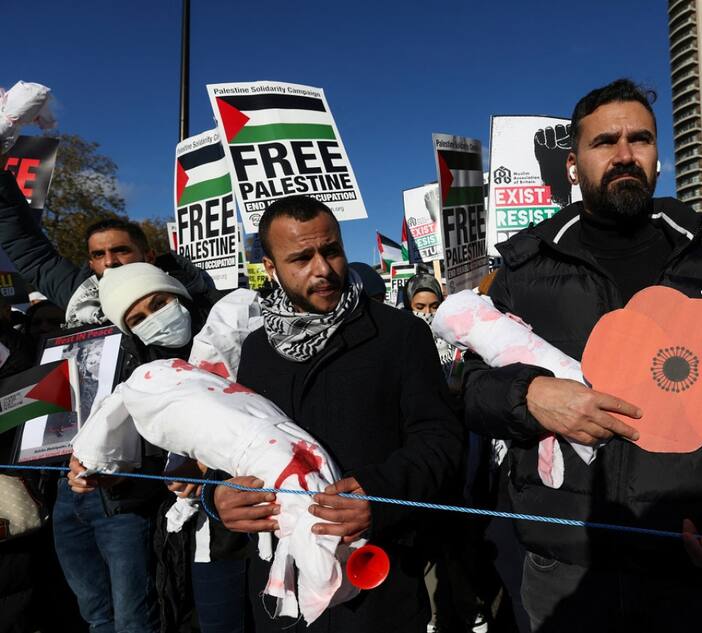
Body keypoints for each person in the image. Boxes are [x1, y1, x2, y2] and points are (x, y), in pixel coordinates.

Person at [461, 79, 702, 632]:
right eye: (604, 142)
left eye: (639, 139)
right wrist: (529, 396)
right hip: (565, 570)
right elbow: (466, 387)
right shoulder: (525, 269)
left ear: (658, 155)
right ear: (573, 165)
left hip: (695, 565)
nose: (623, 154)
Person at [207, 195, 464, 633]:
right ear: (270, 267)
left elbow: (442, 442)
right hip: (284, 590)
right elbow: (235, 444)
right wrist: (218, 495)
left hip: (375, 581)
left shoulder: (399, 334)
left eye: (331, 251)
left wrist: (379, 495)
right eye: (301, 258)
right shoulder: (255, 349)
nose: (322, 269)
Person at [59, 262, 223, 633]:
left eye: (159, 303)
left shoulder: (229, 336)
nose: (155, 319)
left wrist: (206, 466)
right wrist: (108, 474)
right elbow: (141, 457)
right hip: (176, 531)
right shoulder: (137, 375)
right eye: (137, 319)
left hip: (237, 528)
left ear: (178, 294)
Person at [0, 170, 219, 327]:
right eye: (98, 254)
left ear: (149, 256)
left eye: (121, 250)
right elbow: (29, 250)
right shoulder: (77, 294)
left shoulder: (204, 303)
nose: (110, 261)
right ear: (91, 263)